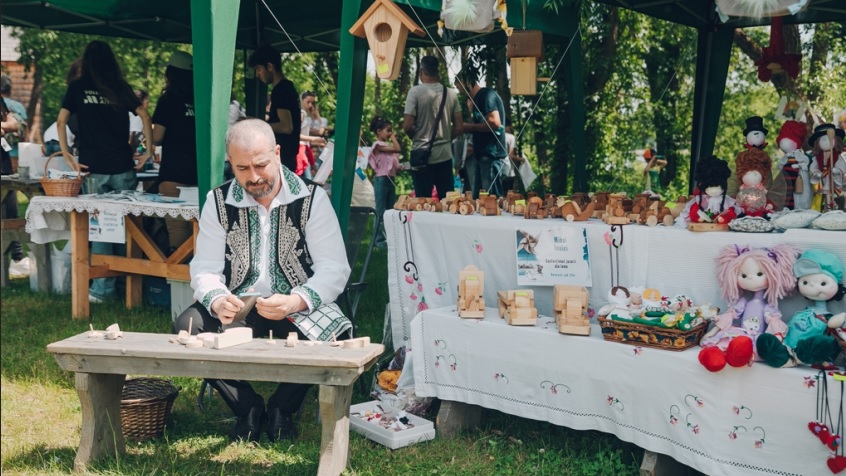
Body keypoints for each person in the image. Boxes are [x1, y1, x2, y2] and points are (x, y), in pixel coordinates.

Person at [174, 119, 351, 443]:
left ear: (278, 153)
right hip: (240, 309)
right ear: (231, 163)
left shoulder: (312, 199)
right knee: (188, 327)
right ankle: (248, 408)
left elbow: (334, 268)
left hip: (296, 307)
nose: (253, 177)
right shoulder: (218, 201)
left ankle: (283, 408)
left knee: (333, 329)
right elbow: (205, 267)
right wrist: (216, 298)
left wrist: (298, 300)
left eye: (260, 165)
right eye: (242, 168)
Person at [57, 40, 153, 303]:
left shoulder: (77, 87)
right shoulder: (119, 88)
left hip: (93, 167)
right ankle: (129, 283)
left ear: (86, 61)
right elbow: (145, 116)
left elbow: (61, 120)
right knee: (127, 227)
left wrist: (67, 156)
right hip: (122, 166)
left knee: (101, 228)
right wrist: (148, 151)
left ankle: (103, 289)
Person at [151, 51, 197, 251]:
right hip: (198, 174)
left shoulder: (168, 100)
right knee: (198, 229)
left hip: (173, 174)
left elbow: (157, 137)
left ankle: (179, 279)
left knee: (177, 230)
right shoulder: (202, 99)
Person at [402, 55, 462, 200]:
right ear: (438, 72)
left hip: (421, 156)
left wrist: (414, 136)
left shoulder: (415, 92)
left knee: (422, 202)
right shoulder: (451, 94)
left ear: (421, 71)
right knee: (447, 202)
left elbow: (407, 125)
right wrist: (446, 138)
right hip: (445, 156)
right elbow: (459, 127)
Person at [248, 44, 301, 173]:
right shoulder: (288, 87)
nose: (257, 74)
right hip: (287, 157)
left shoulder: (280, 90)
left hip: (282, 159)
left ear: (270, 67)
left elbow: (286, 127)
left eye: (258, 69)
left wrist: (258, 125)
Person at [455, 68, 508, 198]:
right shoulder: (477, 100)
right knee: (478, 199)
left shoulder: (486, 95)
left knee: (491, 199)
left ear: (466, 82)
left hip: (490, 155)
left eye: (459, 87)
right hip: (482, 155)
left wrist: (469, 127)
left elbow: (495, 123)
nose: (460, 92)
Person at [368, 116, 403, 248]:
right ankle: (378, 240)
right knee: (381, 211)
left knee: (390, 210)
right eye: (388, 131)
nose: (390, 133)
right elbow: (398, 148)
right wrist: (394, 138)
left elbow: (393, 161)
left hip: (390, 180)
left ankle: (390, 238)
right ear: (378, 131)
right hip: (381, 180)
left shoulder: (387, 148)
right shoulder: (378, 145)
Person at [1, 96, 23, 261]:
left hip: (4, 164)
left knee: (11, 211)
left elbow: (15, 123)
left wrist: (4, 126)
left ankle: (17, 257)